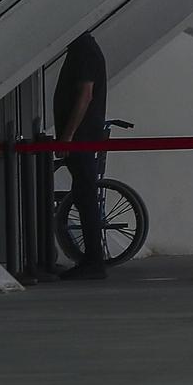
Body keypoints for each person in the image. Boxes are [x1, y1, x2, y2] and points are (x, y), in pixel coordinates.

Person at [52, 29, 108, 279]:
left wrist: (68, 136)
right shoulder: (85, 48)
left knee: (85, 195)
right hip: (84, 136)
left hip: (81, 137)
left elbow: (85, 96)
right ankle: (92, 258)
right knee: (84, 193)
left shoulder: (82, 51)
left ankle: (93, 260)